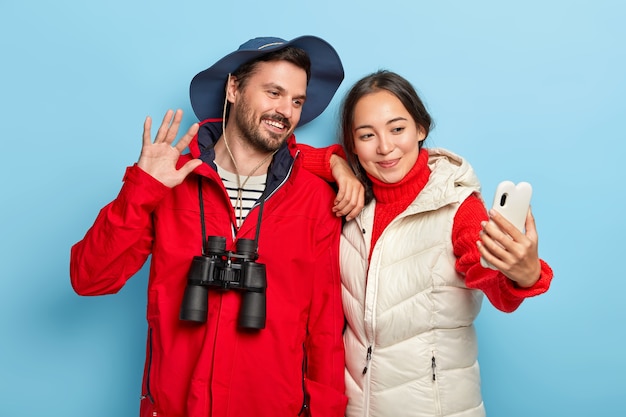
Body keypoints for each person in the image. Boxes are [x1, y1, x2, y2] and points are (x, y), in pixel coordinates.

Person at [70, 36, 349, 417]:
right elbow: (90, 278)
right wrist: (141, 189)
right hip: (176, 405)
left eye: (297, 101)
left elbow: (326, 330)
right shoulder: (169, 180)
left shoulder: (314, 198)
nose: (286, 110)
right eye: (274, 92)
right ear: (234, 88)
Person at [299, 70, 554, 417]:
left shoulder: (457, 204)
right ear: (353, 144)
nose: (385, 147)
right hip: (359, 406)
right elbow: (278, 148)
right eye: (367, 135)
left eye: (397, 129)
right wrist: (335, 165)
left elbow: (490, 280)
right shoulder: (353, 202)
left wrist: (521, 274)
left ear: (421, 128)